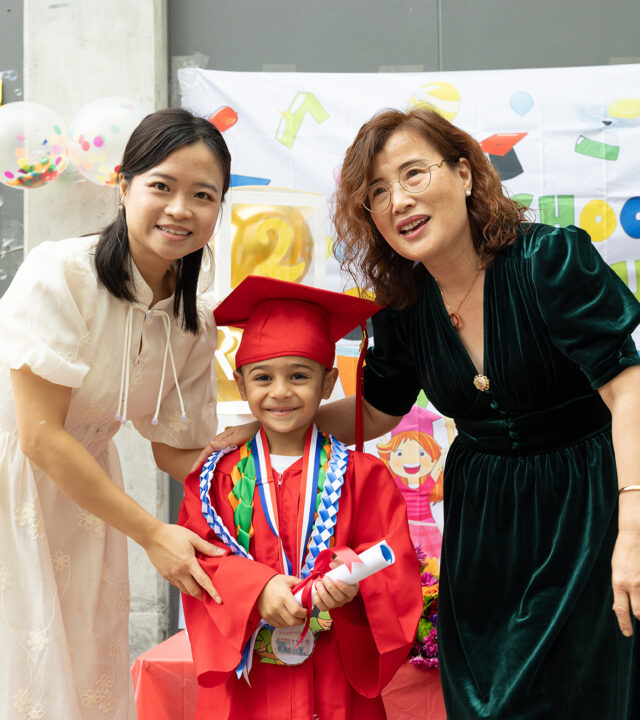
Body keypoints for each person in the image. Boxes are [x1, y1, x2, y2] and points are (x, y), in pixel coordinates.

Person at [216, 108, 640, 718]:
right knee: (485, 698)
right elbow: (374, 410)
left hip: (588, 500)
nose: (399, 201)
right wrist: (269, 425)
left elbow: (627, 387)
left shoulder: (548, 260)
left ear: (465, 174)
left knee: (584, 689)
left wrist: (631, 525)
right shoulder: (406, 307)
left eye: (414, 174)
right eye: (378, 194)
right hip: (484, 518)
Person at [0, 108, 230, 720]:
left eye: (202, 195)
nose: (181, 208)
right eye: (162, 186)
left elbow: (172, 448)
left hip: (88, 502)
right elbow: (40, 438)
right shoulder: (60, 274)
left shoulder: (192, 321)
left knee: (81, 674)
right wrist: (153, 533)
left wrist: (261, 466)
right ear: (123, 186)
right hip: (13, 487)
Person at [179, 275, 423, 720]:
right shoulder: (215, 478)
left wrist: (353, 583)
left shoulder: (362, 476)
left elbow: (395, 564)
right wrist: (255, 590)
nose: (280, 391)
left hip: (334, 673)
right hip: (249, 680)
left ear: (328, 382)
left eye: (299, 375)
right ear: (240, 382)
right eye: (263, 377)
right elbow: (199, 560)